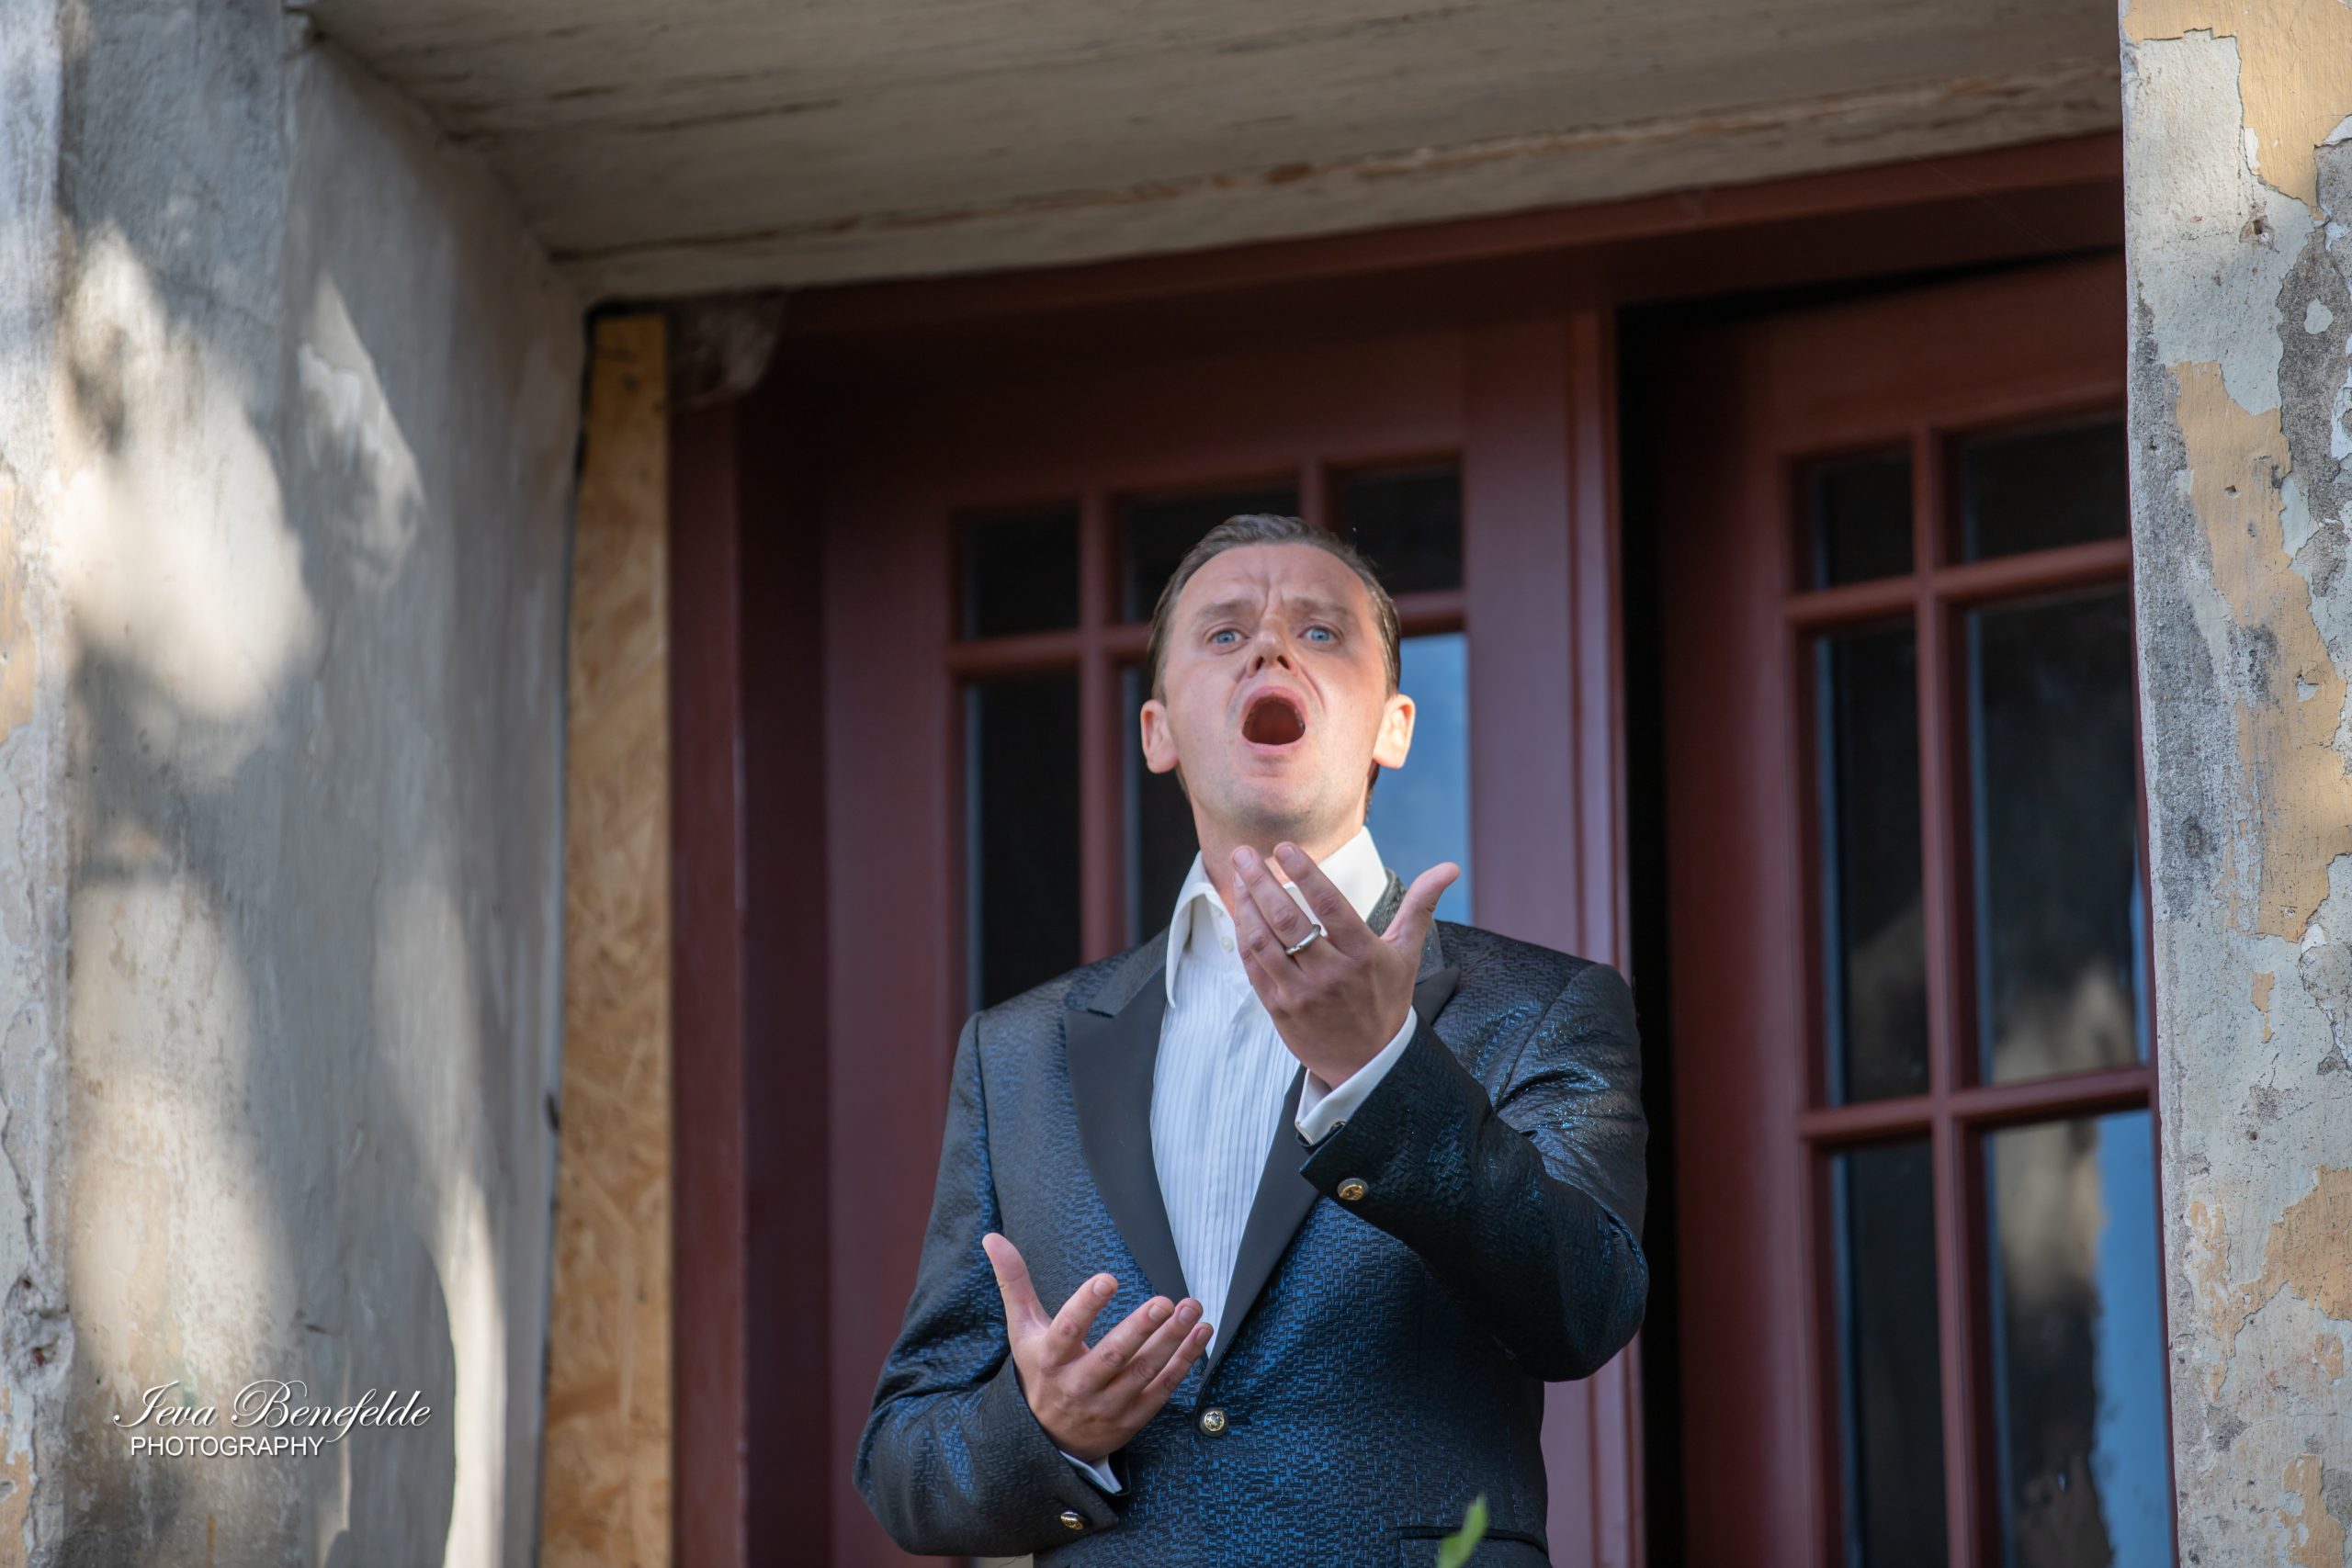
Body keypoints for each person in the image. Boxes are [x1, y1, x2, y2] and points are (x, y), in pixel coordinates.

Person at [854, 513, 1648, 1564]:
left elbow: (1586, 1307)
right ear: (1157, 732)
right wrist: (1044, 1432)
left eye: (1320, 632)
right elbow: (903, 1458)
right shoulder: (1016, 1055)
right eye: (1224, 633)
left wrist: (1381, 1073)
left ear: (1394, 727)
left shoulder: (1543, 1005)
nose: (1270, 648)